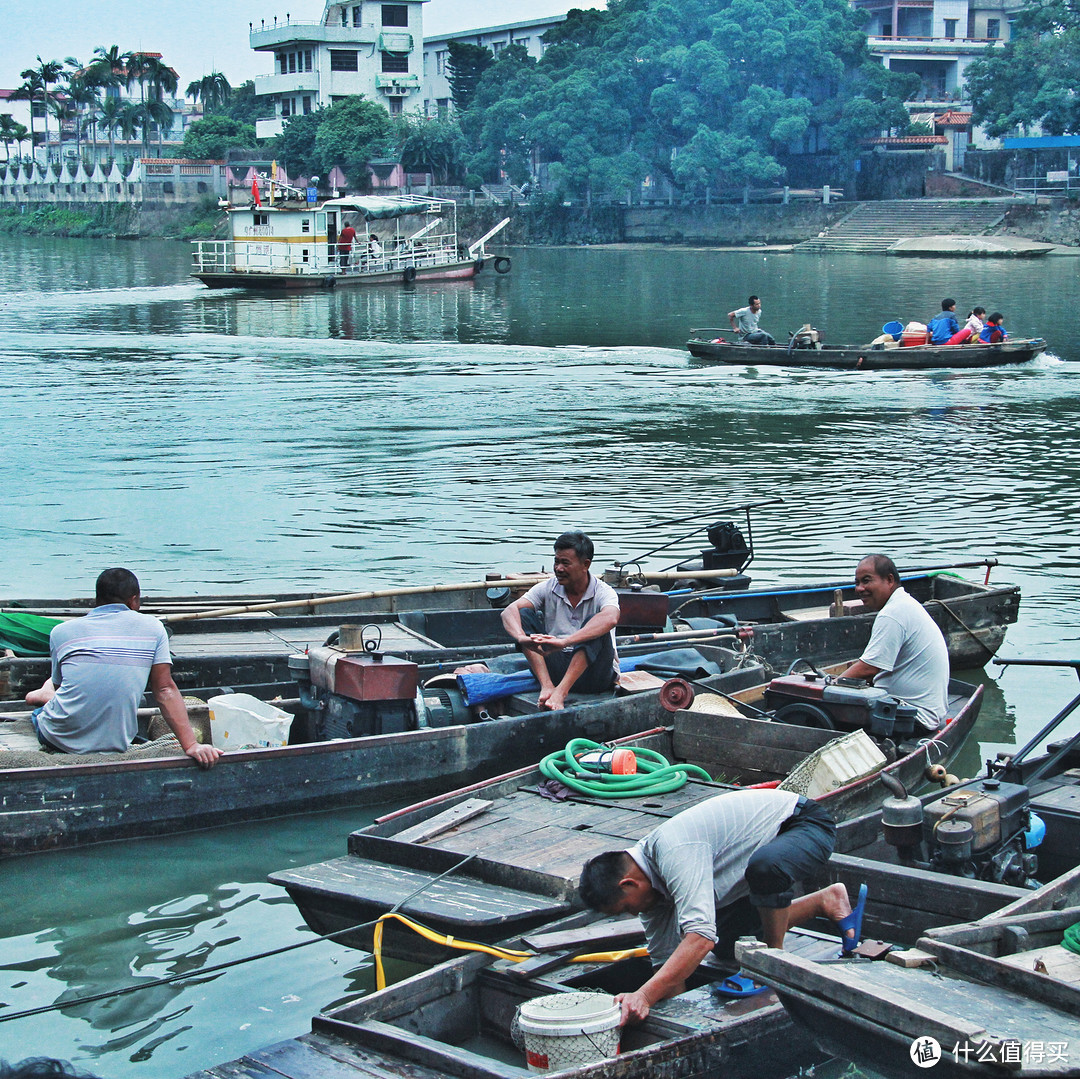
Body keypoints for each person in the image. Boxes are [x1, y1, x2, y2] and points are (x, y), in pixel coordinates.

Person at [578, 789, 861, 1024]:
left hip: (803, 826)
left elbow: (700, 939)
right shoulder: (649, 893)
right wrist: (674, 1019)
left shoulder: (673, 850)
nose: (634, 914)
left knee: (766, 869)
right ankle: (824, 901)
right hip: (752, 867)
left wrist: (642, 995)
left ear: (629, 884)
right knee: (732, 947)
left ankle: (771, 963)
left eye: (626, 908)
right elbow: (666, 964)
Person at [26, 568, 221, 767]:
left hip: (59, 739)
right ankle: (43, 694)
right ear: (133, 600)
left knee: (46, 703)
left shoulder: (61, 631)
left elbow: (61, 691)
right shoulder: (153, 628)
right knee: (51, 699)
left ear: (97, 598)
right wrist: (191, 745)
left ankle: (42, 694)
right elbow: (164, 689)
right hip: (115, 743)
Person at [500, 531, 620, 711]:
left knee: (596, 623)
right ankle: (547, 686)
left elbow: (611, 618)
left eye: (565, 563)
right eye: (556, 561)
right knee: (523, 614)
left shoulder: (604, 592)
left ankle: (560, 693)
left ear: (585, 565)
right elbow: (509, 611)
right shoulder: (547, 588)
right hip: (556, 668)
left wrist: (565, 641)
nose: (558, 568)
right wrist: (520, 637)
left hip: (595, 675)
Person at [840, 554, 950, 731]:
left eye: (866, 581)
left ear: (889, 580)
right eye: (857, 582)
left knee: (827, 707)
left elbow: (869, 668)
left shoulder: (892, 613)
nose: (860, 588)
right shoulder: (903, 604)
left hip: (912, 716)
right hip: (921, 711)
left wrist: (830, 684)